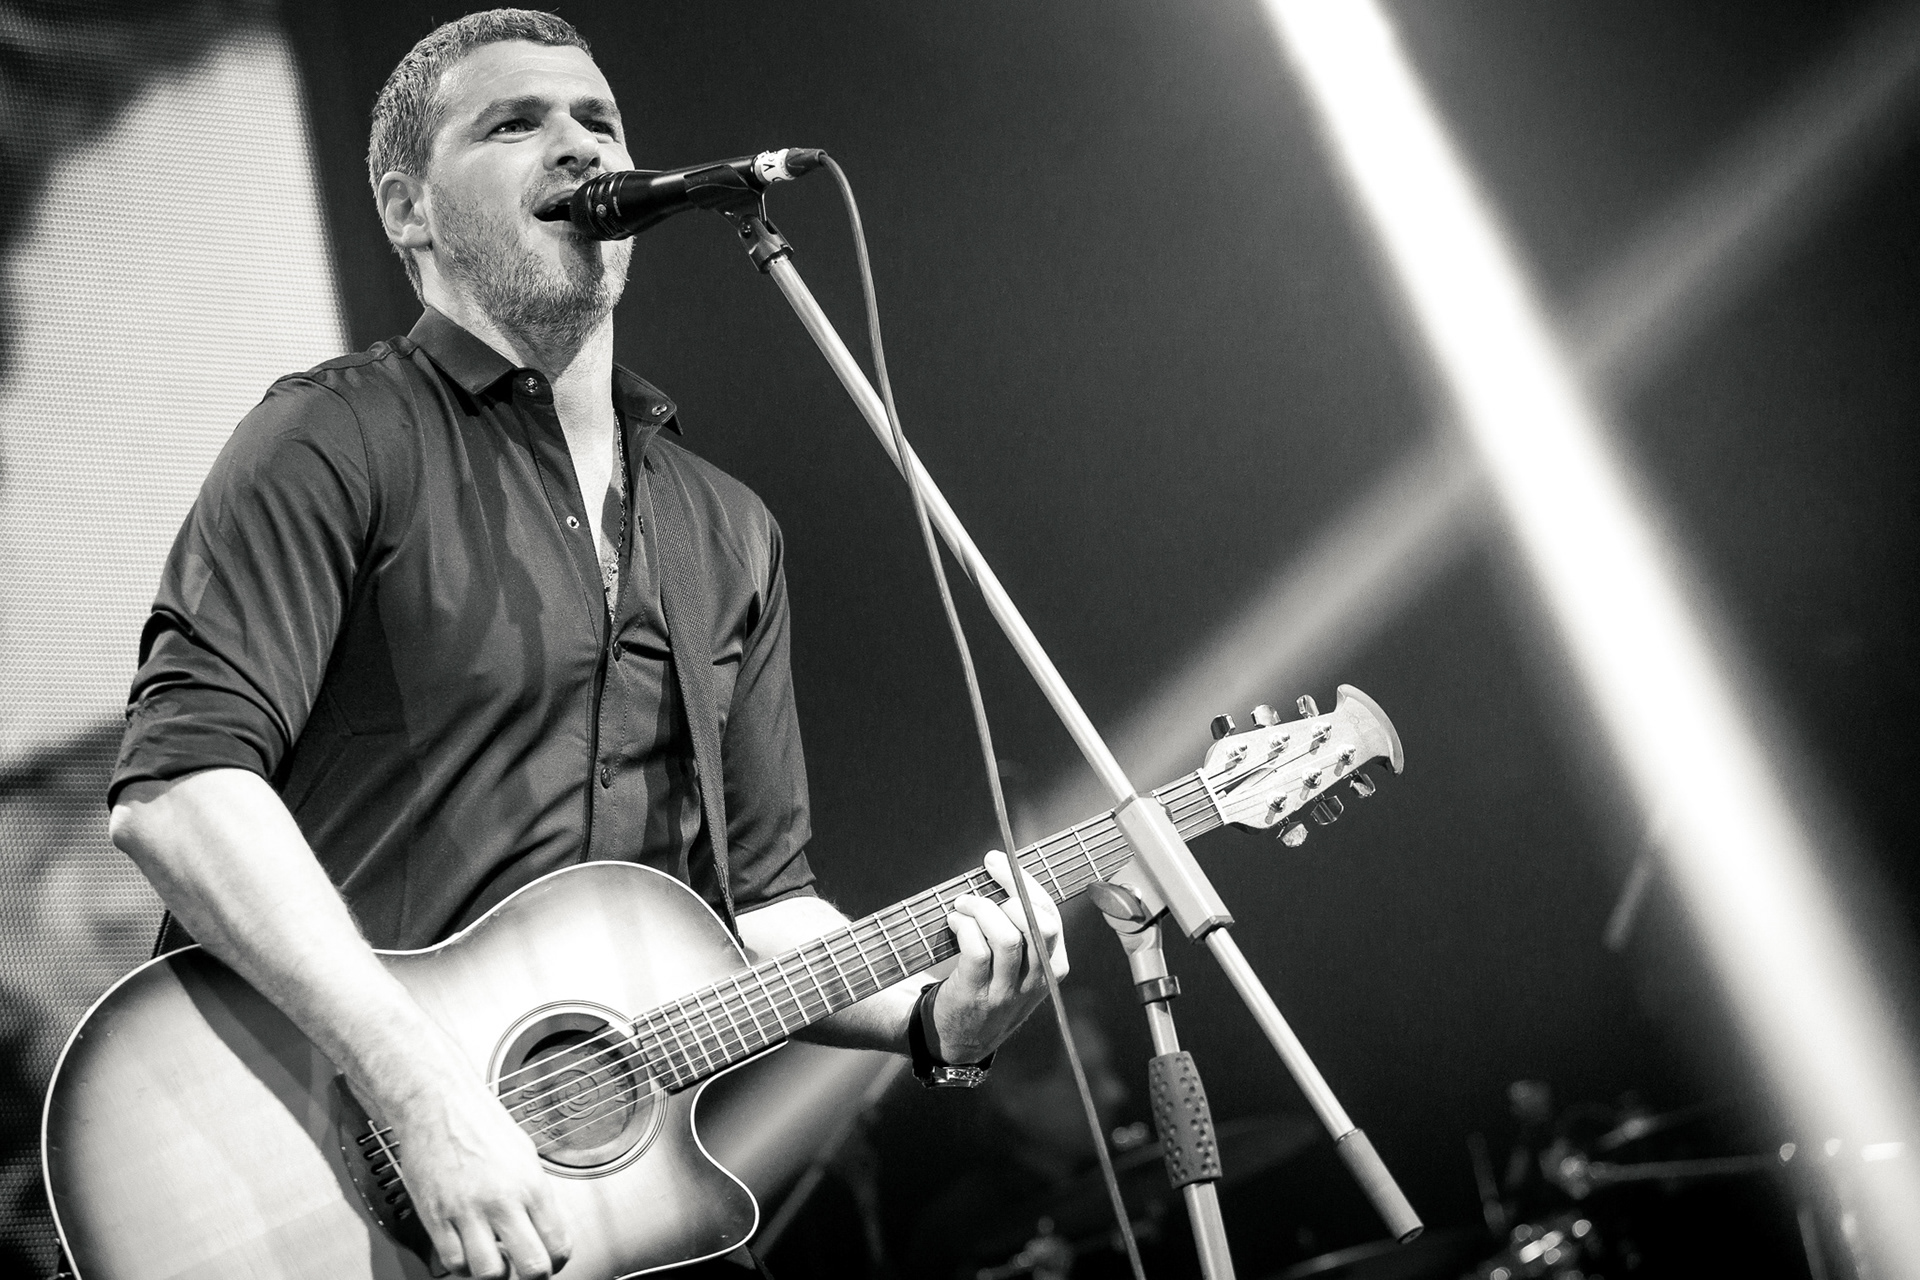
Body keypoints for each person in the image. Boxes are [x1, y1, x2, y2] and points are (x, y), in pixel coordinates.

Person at [104, 11, 1066, 1280]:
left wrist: (936, 1016)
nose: (578, 146)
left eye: (598, 120)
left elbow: (765, 908)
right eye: (515, 123)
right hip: (319, 1172)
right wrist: (420, 1089)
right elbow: (178, 792)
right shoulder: (331, 440)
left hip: (591, 1211)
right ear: (406, 208)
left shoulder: (727, 529)